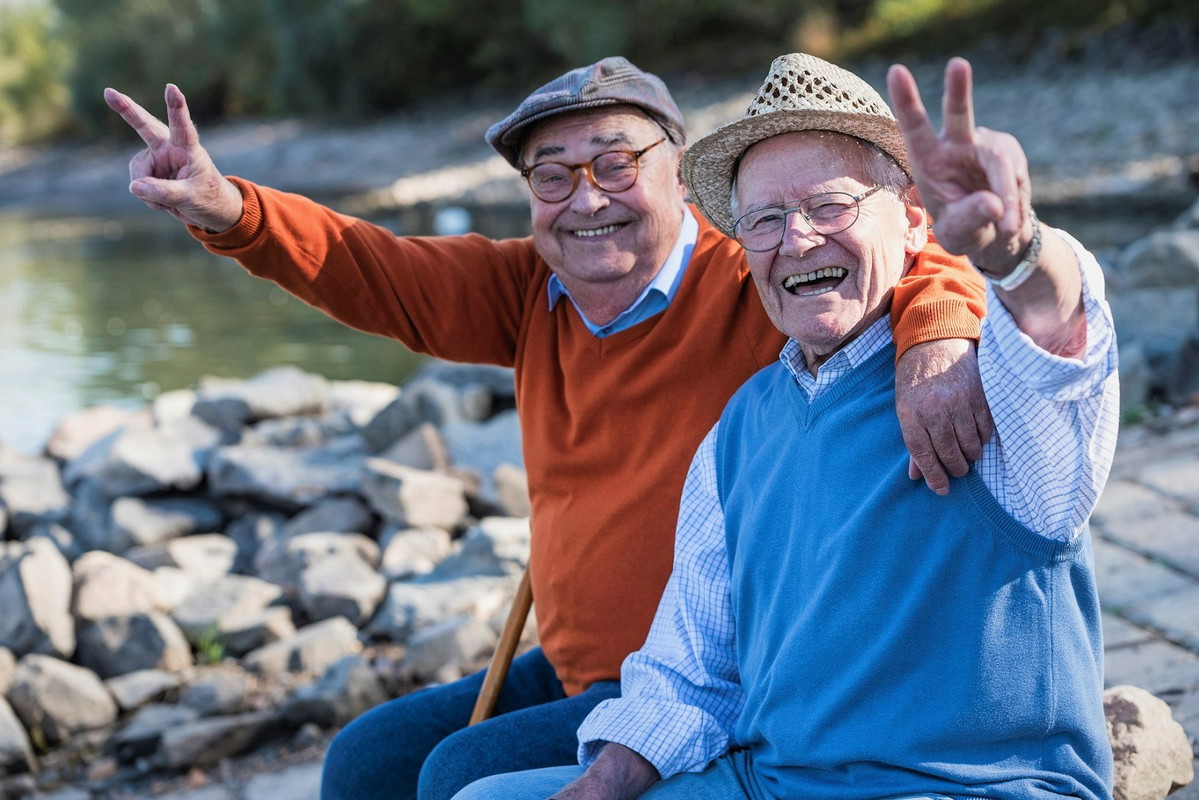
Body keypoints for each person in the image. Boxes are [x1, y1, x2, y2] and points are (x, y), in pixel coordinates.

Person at [104, 57, 990, 800]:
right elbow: (368, 266)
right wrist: (229, 211)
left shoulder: (755, 269)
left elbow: (910, 254)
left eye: (614, 164)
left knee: (456, 772)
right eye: (551, 176)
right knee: (363, 762)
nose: (585, 199)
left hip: (718, 675)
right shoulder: (527, 292)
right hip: (581, 667)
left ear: (677, 174)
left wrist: (940, 332)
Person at [455, 52, 1119, 800]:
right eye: (764, 220)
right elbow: (692, 671)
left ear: (910, 224)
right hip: (767, 783)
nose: (796, 240)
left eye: (829, 207)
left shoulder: (986, 381)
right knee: (481, 795)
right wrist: (602, 784)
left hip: (964, 786)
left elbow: (1060, 327)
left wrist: (1015, 249)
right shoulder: (738, 428)